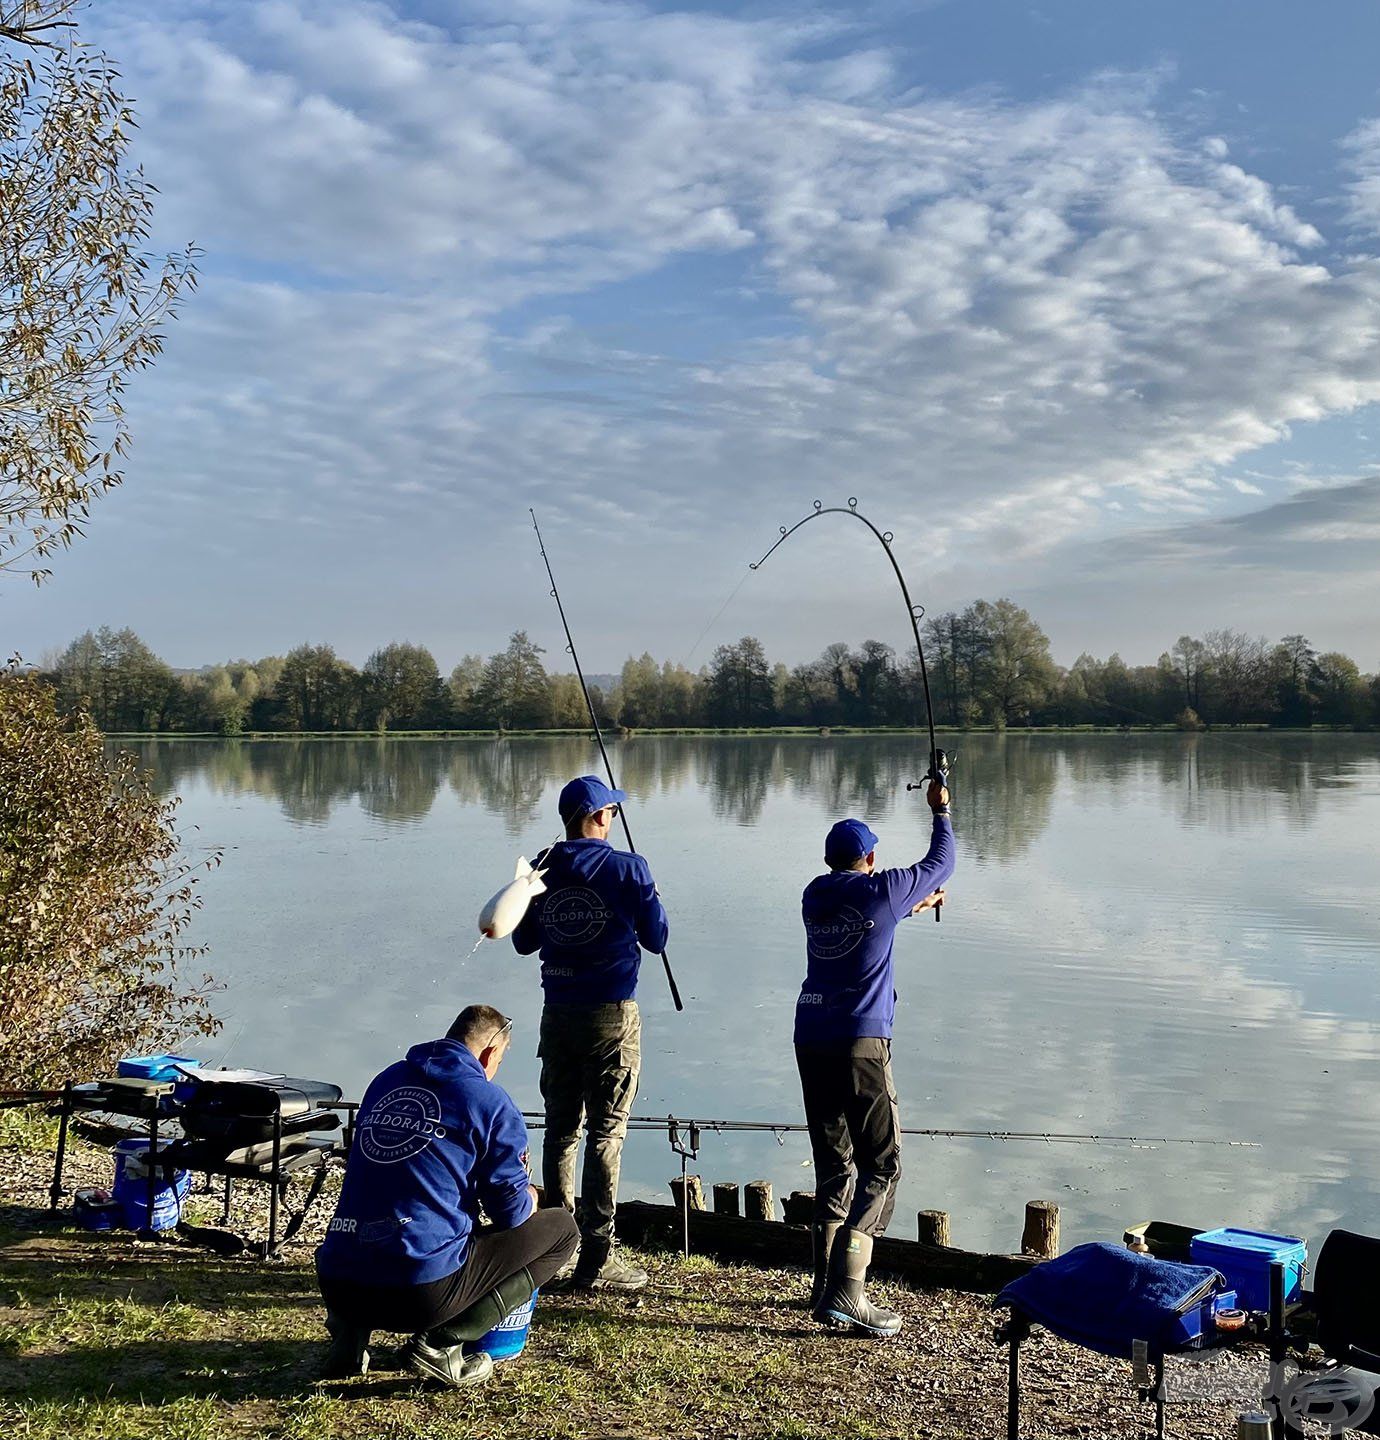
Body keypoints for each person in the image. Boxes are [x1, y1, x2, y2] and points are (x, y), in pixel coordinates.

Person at [315, 1005, 578, 1387]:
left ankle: (348, 1339)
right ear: (489, 1052)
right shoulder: (490, 1102)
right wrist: (531, 1198)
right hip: (419, 1296)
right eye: (500, 1059)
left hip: (337, 1283)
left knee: (379, 1211)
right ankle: (441, 1344)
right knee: (562, 1230)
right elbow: (510, 1215)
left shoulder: (386, 1079)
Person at [795, 776, 954, 1338]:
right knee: (882, 1166)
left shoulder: (817, 895)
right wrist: (941, 809)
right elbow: (943, 860)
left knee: (834, 1164)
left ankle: (822, 1287)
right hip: (860, 1042)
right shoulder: (881, 890)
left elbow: (865, 923)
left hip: (810, 1035)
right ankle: (850, 1291)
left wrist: (908, 908)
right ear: (870, 858)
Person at [512, 774, 669, 1291]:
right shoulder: (629, 868)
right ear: (597, 816)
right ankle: (598, 1257)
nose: (614, 819)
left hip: (556, 1012)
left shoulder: (543, 865)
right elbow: (656, 937)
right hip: (610, 1017)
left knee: (560, 1130)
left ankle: (555, 1250)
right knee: (606, 1133)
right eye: (611, 812)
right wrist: (647, 892)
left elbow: (524, 942)